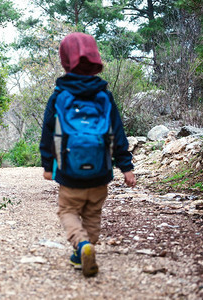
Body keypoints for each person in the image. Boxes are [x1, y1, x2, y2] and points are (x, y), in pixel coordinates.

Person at [40, 32, 136, 277]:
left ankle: (81, 246)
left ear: (64, 60)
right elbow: (117, 131)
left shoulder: (60, 96)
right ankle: (85, 248)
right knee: (93, 214)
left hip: (69, 173)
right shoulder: (104, 95)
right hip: (100, 173)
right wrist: (126, 166)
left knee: (68, 212)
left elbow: (48, 132)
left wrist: (47, 164)